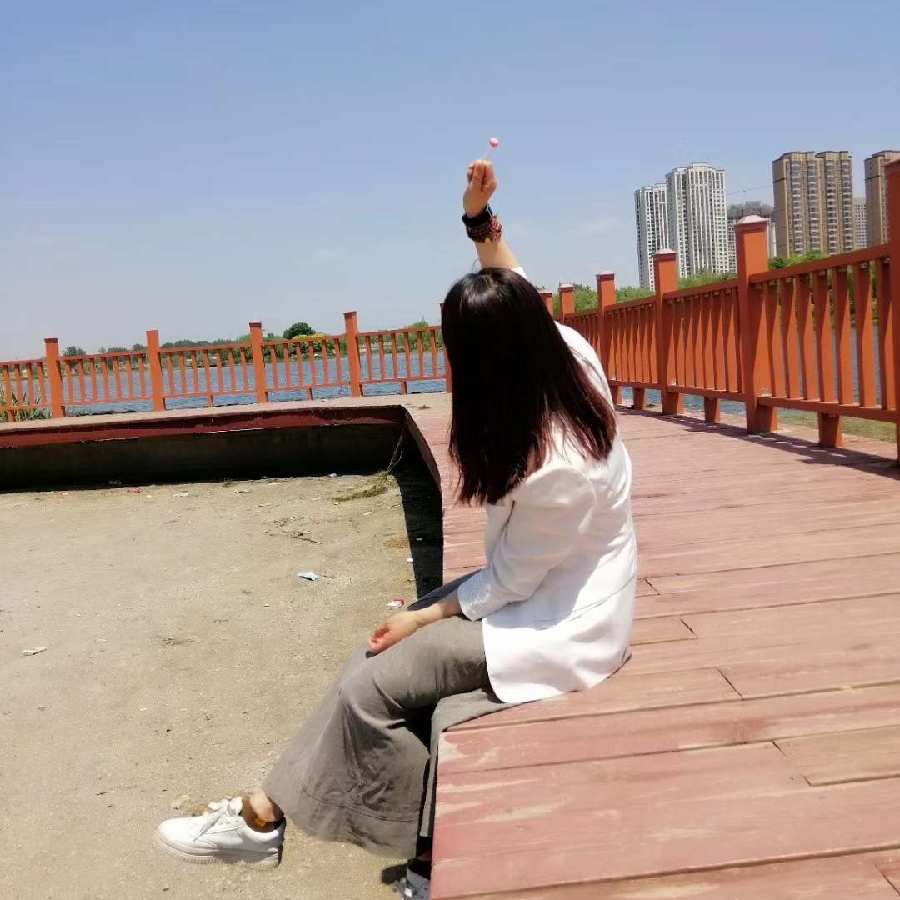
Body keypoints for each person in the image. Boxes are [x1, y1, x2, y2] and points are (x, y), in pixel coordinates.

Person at [155, 159, 637, 893]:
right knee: (388, 667)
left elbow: (510, 585)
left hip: (563, 619)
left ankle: (270, 822)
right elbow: (511, 284)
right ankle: (352, 841)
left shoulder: (559, 465)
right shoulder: (564, 354)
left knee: (373, 683)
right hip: (542, 589)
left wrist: (422, 618)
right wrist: (478, 218)